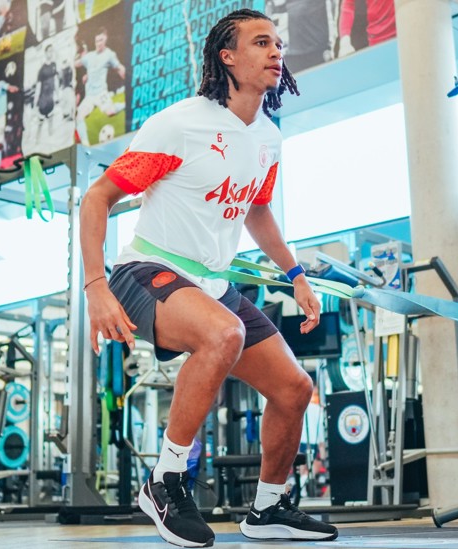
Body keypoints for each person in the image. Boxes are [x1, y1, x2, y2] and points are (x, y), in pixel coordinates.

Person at [80, 9, 338, 547]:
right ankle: (165, 479)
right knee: (224, 333)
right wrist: (96, 285)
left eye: (278, 44)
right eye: (261, 42)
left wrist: (295, 275)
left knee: (294, 389)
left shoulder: (267, 136)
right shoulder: (180, 124)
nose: (276, 53)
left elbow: (257, 210)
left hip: (213, 284)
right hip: (146, 271)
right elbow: (98, 197)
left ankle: (267, 509)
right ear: (227, 57)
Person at [75, 27, 125, 146]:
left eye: (101, 40)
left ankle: (125, 105)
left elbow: (119, 68)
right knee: (80, 116)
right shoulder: (90, 56)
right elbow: (77, 63)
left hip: (101, 93)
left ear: (105, 39)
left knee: (110, 112)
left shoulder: (109, 54)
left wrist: (127, 76)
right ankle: (86, 145)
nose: (99, 43)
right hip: (90, 96)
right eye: (97, 41)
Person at [35, 44, 60, 137]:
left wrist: (58, 95)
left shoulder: (54, 65)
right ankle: (37, 141)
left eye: (52, 51)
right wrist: (36, 102)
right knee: (40, 124)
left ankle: (51, 137)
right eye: (49, 51)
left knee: (51, 121)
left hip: (51, 99)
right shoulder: (41, 70)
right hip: (43, 100)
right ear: (45, 53)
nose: (51, 53)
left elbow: (56, 81)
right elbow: (38, 86)